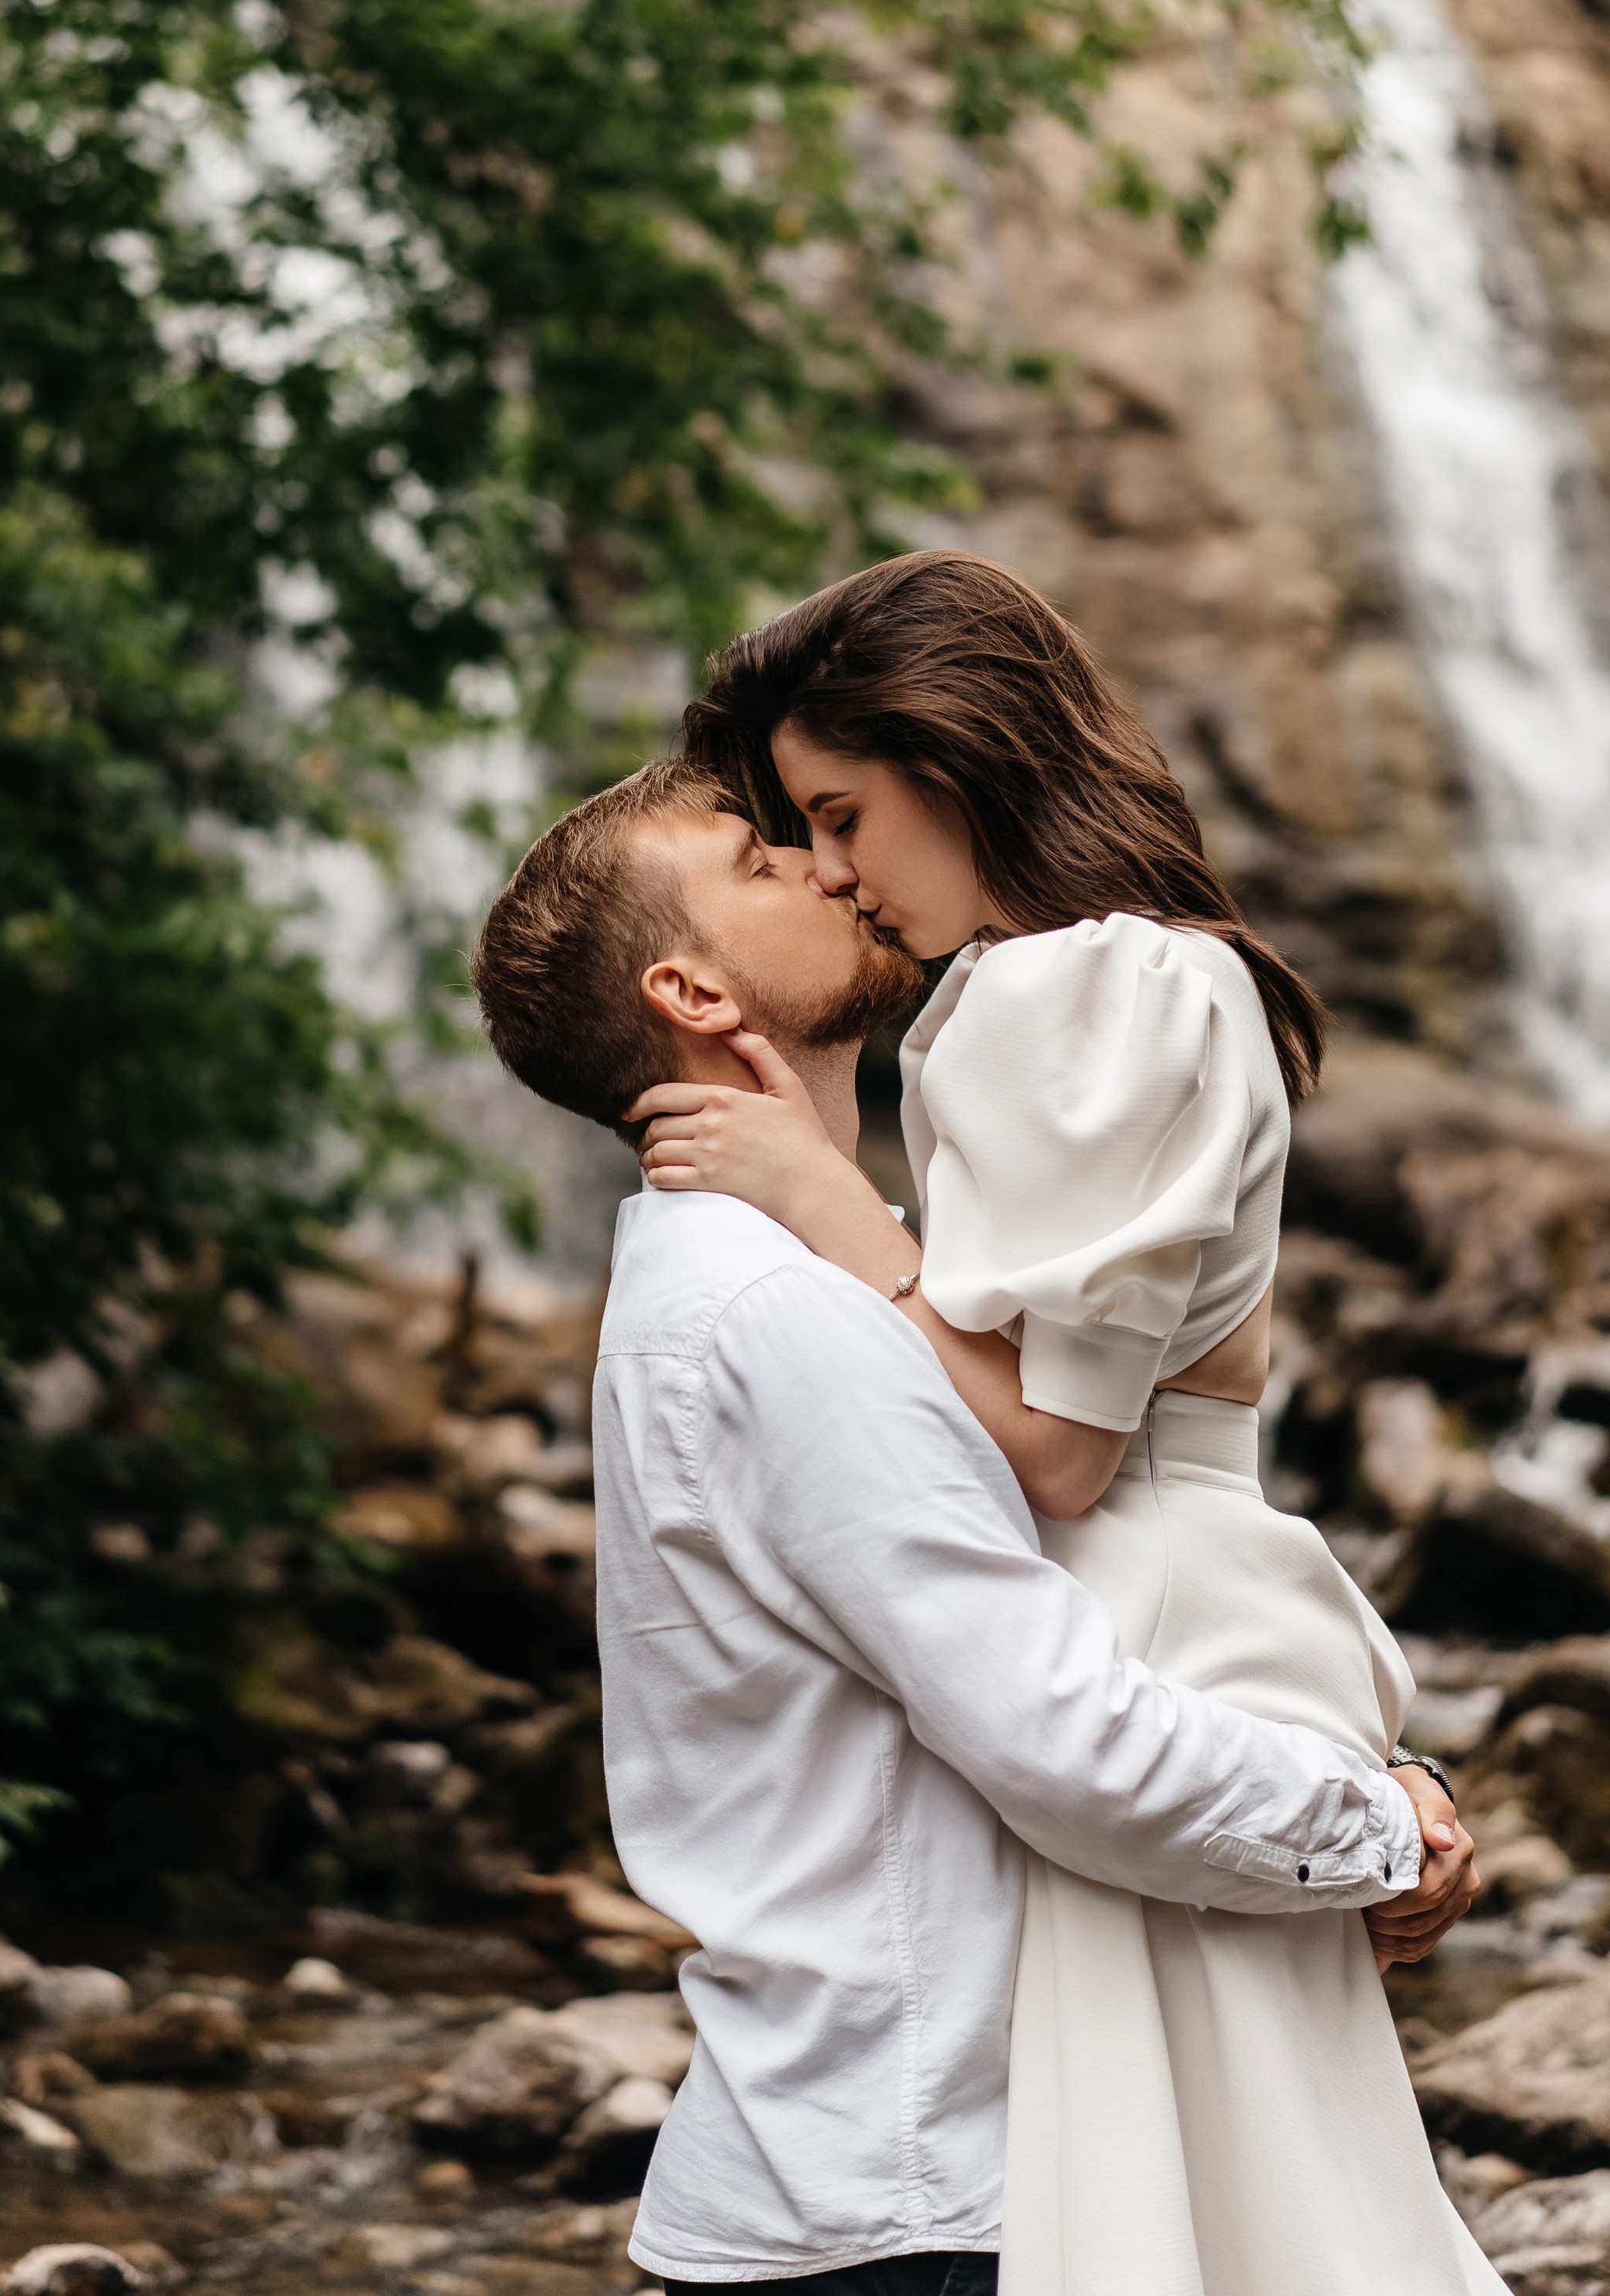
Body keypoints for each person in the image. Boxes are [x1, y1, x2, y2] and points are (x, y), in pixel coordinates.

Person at [468, 754, 1478, 2296]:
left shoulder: (826, 1285)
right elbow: (1055, 1732)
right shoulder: (777, 1318)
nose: (822, 868)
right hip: (914, 2208)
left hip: (908, 2176)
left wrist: (1367, 1770)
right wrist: (1365, 1829)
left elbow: (1090, 1592)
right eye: (759, 860)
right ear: (691, 990)